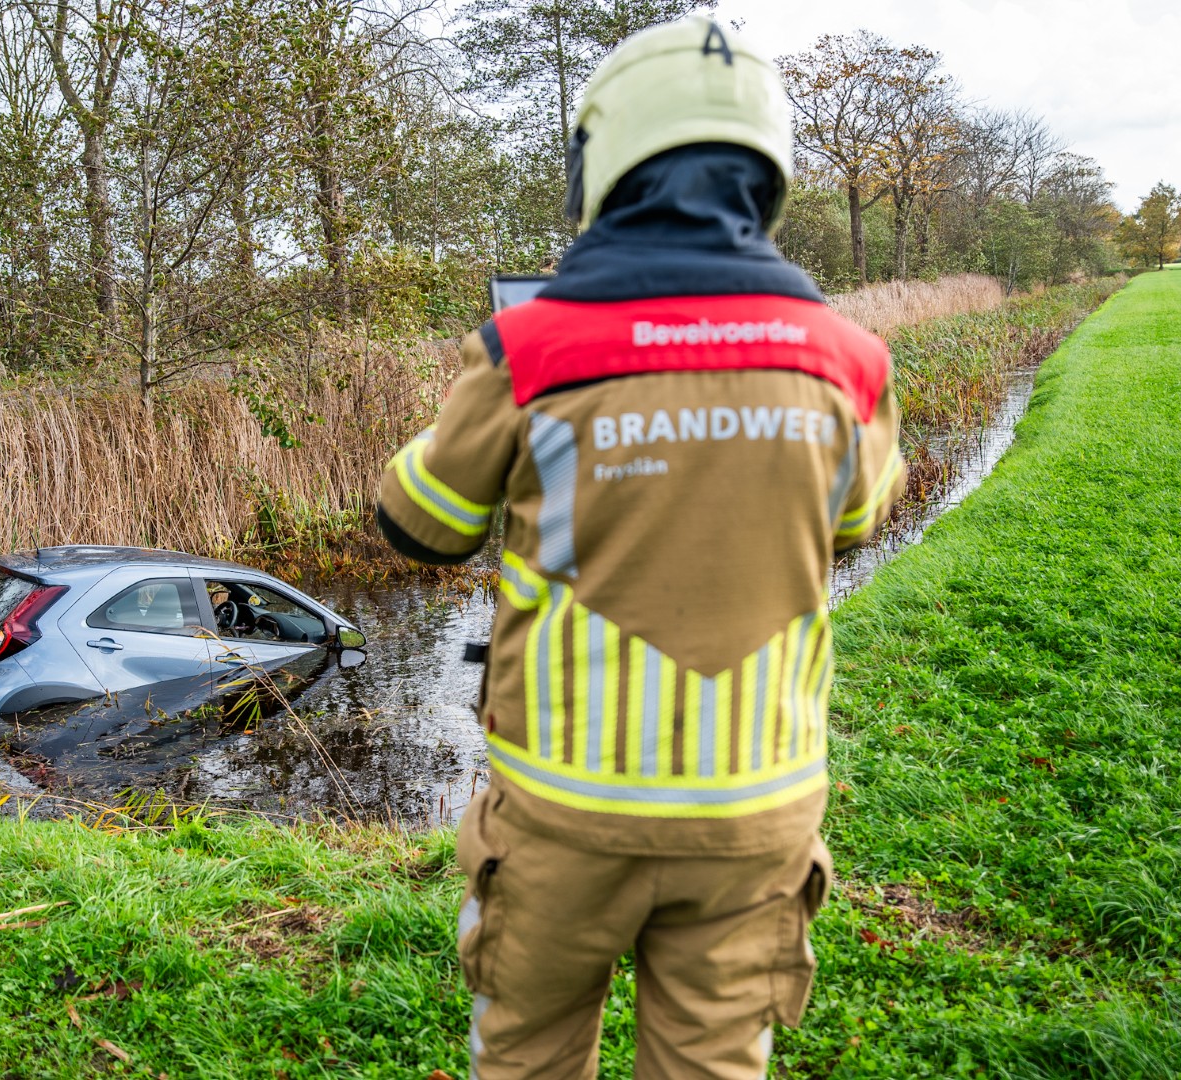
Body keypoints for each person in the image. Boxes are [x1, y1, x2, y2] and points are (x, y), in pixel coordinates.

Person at [375, 15, 905, 1080]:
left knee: (527, 1057)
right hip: (756, 810)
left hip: (566, 810)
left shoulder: (528, 350)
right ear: (771, 171)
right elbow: (857, 521)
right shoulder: (850, 362)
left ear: (602, 163)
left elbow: (417, 523)